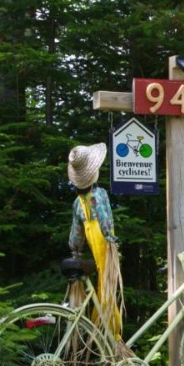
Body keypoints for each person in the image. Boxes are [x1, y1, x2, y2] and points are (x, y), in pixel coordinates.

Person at [67, 143, 125, 344]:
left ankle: (102, 329)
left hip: (92, 246)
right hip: (105, 247)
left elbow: (76, 235)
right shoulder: (100, 195)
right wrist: (111, 240)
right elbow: (105, 219)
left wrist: (76, 251)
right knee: (107, 287)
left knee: (103, 285)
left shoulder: (78, 202)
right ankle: (112, 333)